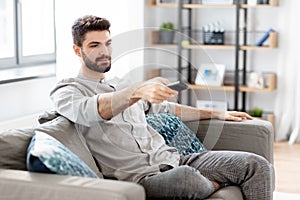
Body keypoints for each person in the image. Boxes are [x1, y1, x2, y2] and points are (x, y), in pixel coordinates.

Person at [50, 15, 274, 199]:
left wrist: (217, 113)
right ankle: (213, 185)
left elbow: (167, 109)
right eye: (94, 45)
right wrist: (137, 91)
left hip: (173, 159)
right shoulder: (67, 92)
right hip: (141, 178)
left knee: (256, 165)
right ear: (77, 50)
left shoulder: (119, 84)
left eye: (108, 44)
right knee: (186, 178)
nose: (104, 52)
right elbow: (91, 111)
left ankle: (211, 182)